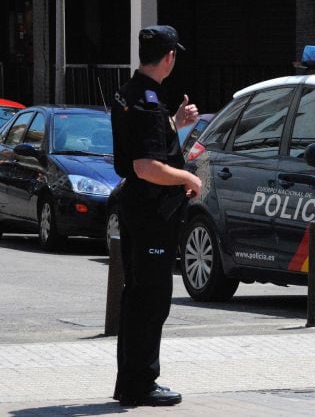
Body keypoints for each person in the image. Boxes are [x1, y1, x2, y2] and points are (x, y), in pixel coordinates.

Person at [110, 25, 201, 407]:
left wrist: (176, 125)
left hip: (136, 206)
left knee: (137, 296)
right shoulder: (148, 101)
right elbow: (147, 165)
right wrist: (189, 178)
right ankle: (141, 383)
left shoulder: (134, 93)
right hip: (150, 210)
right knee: (152, 297)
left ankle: (130, 381)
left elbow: (144, 143)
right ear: (169, 57)